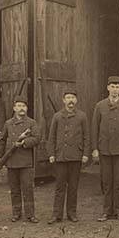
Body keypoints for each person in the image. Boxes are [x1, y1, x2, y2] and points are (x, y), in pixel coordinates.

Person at [91, 76, 119, 221]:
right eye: (112, 86)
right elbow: (94, 128)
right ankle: (106, 211)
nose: (115, 89)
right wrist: (95, 148)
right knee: (106, 181)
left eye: (117, 87)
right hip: (104, 150)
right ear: (108, 88)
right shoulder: (100, 106)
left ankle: (118, 211)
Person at [47, 88, 90, 223]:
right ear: (63, 100)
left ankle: (72, 213)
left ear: (76, 100)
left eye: (73, 98)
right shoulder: (57, 116)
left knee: (73, 186)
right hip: (61, 156)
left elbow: (86, 137)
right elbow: (51, 136)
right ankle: (57, 214)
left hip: (75, 156)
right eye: (68, 98)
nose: (70, 100)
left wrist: (85, 154)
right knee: (60, 186)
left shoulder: (82, 116)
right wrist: (51, 154)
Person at [0, 95, 41, 223]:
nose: (21, 108)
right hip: (11, 161)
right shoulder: (8, 123)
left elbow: (37, 138)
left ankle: (30, 214)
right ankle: (16, 213)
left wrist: (24, 142)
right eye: (19, 106)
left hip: (26, 161)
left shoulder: (32, 123)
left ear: (26, 108)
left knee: (28, 188)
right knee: (14, 189)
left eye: (24, 106)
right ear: (14, 108)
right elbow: (2, 140)